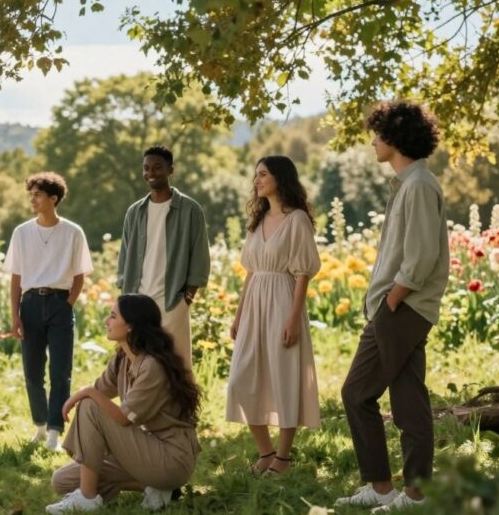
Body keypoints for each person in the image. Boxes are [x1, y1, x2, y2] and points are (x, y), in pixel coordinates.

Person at [336, 101, 450, 512]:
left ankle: (415, 494)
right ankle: (383, 487)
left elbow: (419, 258)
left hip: (403, 309)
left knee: (403, 402)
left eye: (378, 134)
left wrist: (391, 302)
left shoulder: (419, 186)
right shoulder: (407, 183)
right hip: (393, 309)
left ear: (396, 138)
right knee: (360, 393)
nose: (372, 141)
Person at [46, 295, 201, 514]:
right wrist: (85, 395)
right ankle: (153, 488)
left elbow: (120, 417)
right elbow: (101, 390)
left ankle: (88, 498)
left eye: (112, 316)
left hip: (171, 459)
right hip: (145, 451)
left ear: (130, 326)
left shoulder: (152, 367)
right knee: (61, 481)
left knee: (90, 404)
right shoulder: (123, 359)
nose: (106, 322)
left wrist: (85, 393)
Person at [225, 156, 321, 475]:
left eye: (263, 174)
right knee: (241, 377)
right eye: (256, 175)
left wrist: (293, 318)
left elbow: (303, 273)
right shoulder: (258, 220)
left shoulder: (297, 220)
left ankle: (283, 458)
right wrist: (239, 316)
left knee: (284, 375)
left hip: (283, 299)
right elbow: (251, 272)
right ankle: (265, 452)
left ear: (280, 177)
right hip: (254, 303)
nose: (257, 180)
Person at [5, 172, 94, 451]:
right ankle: (40, 426)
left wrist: (67, 304)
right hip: (30, 304)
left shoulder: (73, 232)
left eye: (38, 194)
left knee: (60, 371)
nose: (32, 199)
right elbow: (16, 277)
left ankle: (55, 430)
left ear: (53, 199)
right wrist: (15, 315)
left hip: (59, 304)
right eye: (30, 193)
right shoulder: (21, 232)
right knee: (32, 371)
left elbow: (80, 275)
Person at [117, 146, 209, 369]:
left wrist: (186, 298)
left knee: (176, 362)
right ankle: (138, 405)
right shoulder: (135, 211)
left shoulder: (190, 210)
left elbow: (199, 255)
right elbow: (125, 253)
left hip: (171, 300)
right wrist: (124, 292)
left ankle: (182, 405)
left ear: (171, 170)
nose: (151, 172)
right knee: (138, 362)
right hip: (138, 301)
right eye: (146, 168)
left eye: (158, 167)